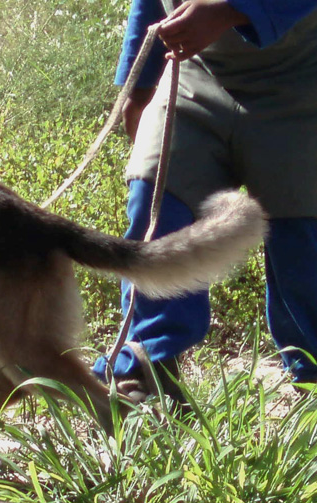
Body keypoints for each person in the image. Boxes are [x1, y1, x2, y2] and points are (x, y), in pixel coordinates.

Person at [92, 0, 317, 402]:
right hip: (196, 75)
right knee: (156, 201)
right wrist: (140, 82)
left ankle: (312, 378)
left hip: (303, 81)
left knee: (302, 239)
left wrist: (230, 10)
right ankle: (148, 373)